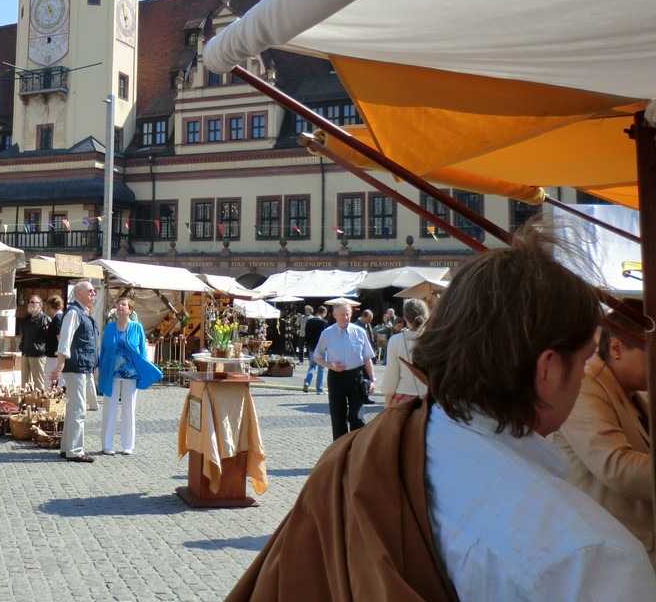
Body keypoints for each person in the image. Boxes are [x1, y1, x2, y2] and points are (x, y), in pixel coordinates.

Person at [225, 224, 656, 601]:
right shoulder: (591, 557)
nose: (584, 378)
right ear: (546, 369)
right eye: (582, 362)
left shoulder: (359, 451)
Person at [552, 310, 654, 566]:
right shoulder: (586, 386)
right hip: (614, 551)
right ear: (617, 348)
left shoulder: (632, 393)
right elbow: (617, 467)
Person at [97, 297, 162, 455]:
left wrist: (143, 371)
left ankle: (128, 445)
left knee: (129, 409)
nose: (120, 307)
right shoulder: (110, 327)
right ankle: (107, 444)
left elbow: (142, 352)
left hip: (131, 373)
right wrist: (100, 371)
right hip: (112, 373)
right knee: (109, 409)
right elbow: (104, 351)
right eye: (118, 304)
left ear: (130, 310)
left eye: (123, 305)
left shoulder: (137, 327)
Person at [50, 280, 99, 463]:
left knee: (73, 408)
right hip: (76, 366)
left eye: (94, 291)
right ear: (78, 293)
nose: (93, 294)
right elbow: (65, 339)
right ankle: (76, 451)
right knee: (78, 409)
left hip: (82, 366)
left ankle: (67, 448)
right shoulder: (74, 313)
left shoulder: (83, 312)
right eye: (90, 291)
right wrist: (60, 364)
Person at [312, 301, 375, 440]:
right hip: (336, 376)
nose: (346, 317)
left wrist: (372, 379)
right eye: (342, 315)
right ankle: (340, 452)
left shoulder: (360, 332)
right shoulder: (327, 333)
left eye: (348, 314)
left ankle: (357, 447)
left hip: (356, 376)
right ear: (334, 315)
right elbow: (317, 357)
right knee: (338, 417)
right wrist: (330, 365)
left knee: (356, 417)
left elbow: (367, 357)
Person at [381, 298, 429, 407]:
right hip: (432, 401)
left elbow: (391, 376)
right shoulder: (436, 338)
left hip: (404, 400)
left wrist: (387, 406)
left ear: (405, 317)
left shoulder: (396, 340)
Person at [18, 294, 50, 390]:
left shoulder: (45, 319)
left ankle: (39, 402)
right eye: (29, 302)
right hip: (25, 352)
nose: (30, 304)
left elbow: (49, 338)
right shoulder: (26, 319)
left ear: (40, 305)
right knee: (25, 383)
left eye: (33, 302)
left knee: (38, 383)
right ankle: (25, 402)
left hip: (38, 355)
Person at [301, 306, 328, 394]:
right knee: (321, 368)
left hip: (311, 346)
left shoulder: (309, 321)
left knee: (312, 365)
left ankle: (307, 382)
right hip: (322, 347)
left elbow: (306, 334)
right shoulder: (324, 323)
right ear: (324, 313)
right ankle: (319, 389)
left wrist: (308, 344)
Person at [43, 294, 64, 387]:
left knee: (50, 380)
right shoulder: (64, 317)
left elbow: (59, 336)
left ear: (50, 307)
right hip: (60, 354)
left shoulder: (57, 319)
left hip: (54, 354)